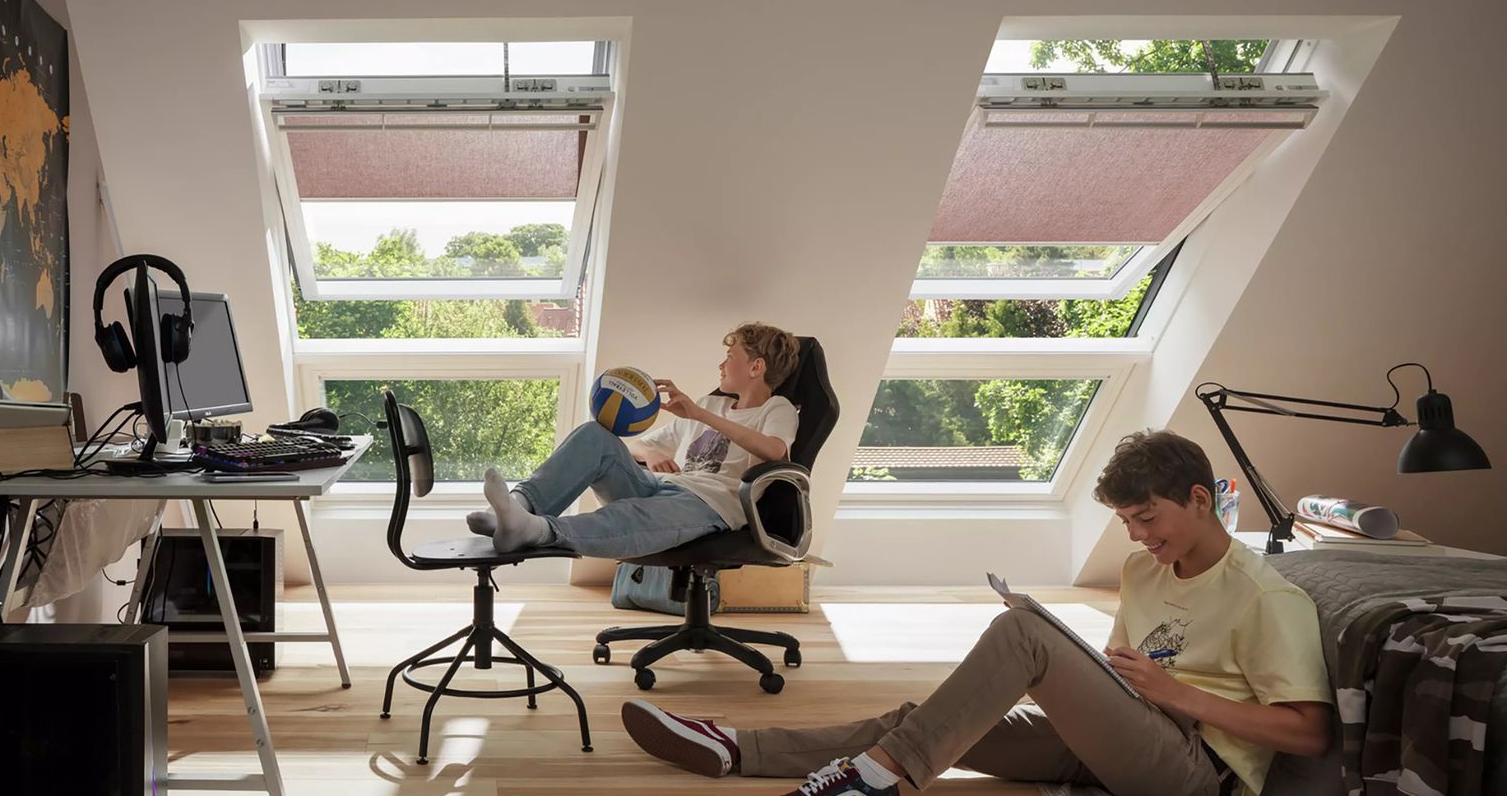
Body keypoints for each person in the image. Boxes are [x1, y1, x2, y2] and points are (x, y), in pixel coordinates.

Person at [622, 430, 1334, 796]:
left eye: (1147, 517)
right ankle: (738, 748)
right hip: (1131, 736)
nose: (1139, 536)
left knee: (1021, 633)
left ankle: (877, 780)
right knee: (925, 721)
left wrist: (1178, 695)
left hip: (1194, 772)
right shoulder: (1142, 569)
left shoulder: (1267, 597)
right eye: (1126, 521)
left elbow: (1309, 732)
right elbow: (1130, 677)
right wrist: (1109, 681)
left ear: (1200, 500)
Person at [469, 322, 801, 559]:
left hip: (710, 506)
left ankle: (535, 530)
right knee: (594, 435)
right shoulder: (713, 404)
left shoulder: (777, 408)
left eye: (731, 356)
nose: (721, 364)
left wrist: (699, 415)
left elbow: (775, 451)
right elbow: (633, 446)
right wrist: (653, 453)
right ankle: (514, 509)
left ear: (756, 367)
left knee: (630, 515)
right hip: (661, 485)